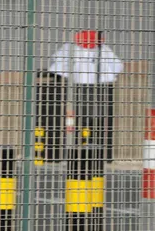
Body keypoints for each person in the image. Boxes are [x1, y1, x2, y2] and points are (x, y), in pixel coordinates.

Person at [48, 30, 123, 163]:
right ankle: (98, 156)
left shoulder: (70, 48)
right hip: (97, 90)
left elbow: (57, 66)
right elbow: (117, 66)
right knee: (96, 123)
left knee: (73, 123)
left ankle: (71, 155)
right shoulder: (103, 50)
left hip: (76, 89)